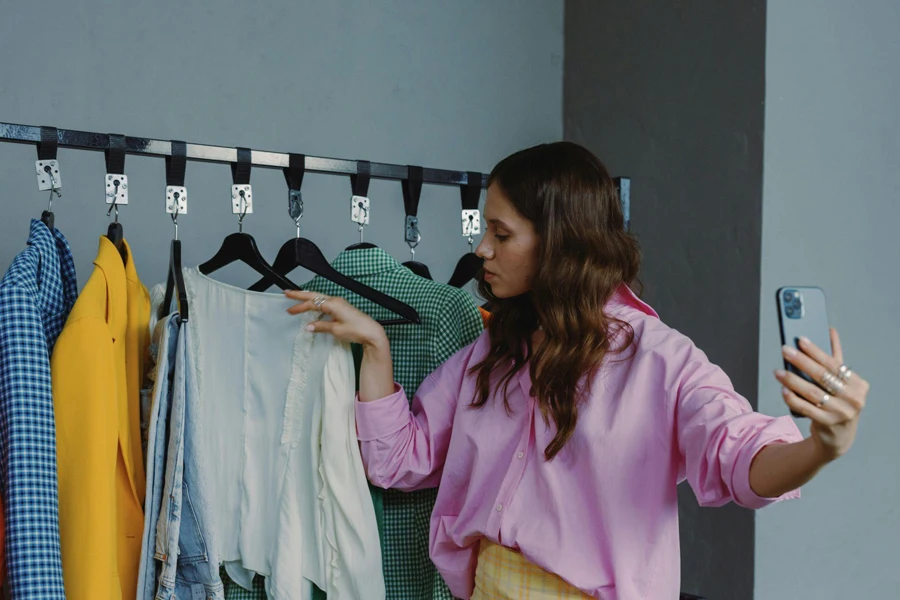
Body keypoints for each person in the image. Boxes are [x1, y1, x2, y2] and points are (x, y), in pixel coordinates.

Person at [284, 142, 869, 600]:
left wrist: (823, 446)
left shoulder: (660, 359)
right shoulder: (493, 352)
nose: (481, 250)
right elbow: (395, 460)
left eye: (501, 233)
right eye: (484, 229)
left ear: (559, 242)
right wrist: (377, 347)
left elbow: (741, 462)